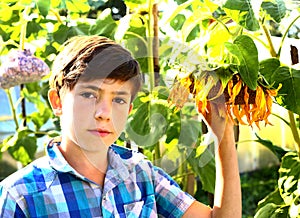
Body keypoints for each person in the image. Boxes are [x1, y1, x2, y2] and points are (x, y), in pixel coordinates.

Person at [0, 35, 241, 217]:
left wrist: (223, 135)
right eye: (89, 95)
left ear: (129, 110)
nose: (104, 113)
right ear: (57, 101)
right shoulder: (21, 195)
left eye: (118, 100)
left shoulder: (141, 174)